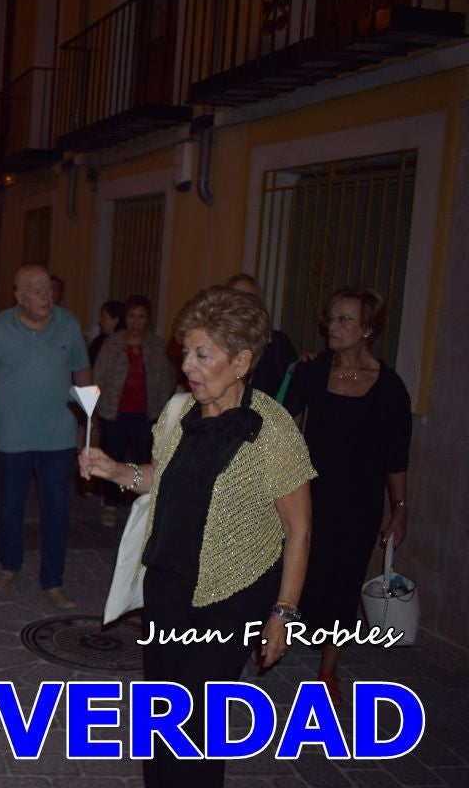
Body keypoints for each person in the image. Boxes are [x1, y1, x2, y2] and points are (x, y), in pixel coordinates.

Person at [81, 286, 313, 788]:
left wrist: (283, 614)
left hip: (232, 597)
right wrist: (115, 470)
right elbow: (158, 477)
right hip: (167, 588)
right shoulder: (178, 412)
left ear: (241, 361)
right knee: (160, 715)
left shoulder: (272, 430)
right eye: (186, 350)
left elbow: (299, 529)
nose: (187, 363)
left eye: (202, 354)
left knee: (199, 726)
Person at [284, 284, 411, 708]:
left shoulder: (389, 387)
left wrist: (400, 510)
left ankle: (327, 670)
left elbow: (396, 455)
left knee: (343, 581)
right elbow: (284, 426)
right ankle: (273, 633)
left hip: (358, 501)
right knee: (293, 568)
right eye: (331, 318)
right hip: (307, 491)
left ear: (368, 328)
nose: (331, 327)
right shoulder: (311, 371)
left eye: (344, 320)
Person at [0, 265, 91, 609]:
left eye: (48, 290)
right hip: (13, 436)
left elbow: (82, 371)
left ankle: (53, 580)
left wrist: (88, 421)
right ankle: (9, 565)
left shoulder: (68, 324)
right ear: (18, 296)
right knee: (11, 506)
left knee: (56, 510)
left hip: (60, 436)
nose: (45, 297)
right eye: (36, 291)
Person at [93, 295, 177, 526]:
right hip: (114, 412)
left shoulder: (156, 345)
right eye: (131, 316)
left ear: (148, 319)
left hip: (147, 414)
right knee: (113, 456)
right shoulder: (112, 344)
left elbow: (168, 379)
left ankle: (142, 505)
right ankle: (109, 503)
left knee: (145, 457)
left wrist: (162, 409)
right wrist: (95, 409)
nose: (136, 322)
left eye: (141, 317)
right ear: (125, 318)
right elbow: (98, 376)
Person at [228, 273, 299, 399]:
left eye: (250, 297)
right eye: (237, 297)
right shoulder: (219, 343)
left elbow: (295, 397)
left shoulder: (279, 344)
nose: (243, 303)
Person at [88, 299, 126, 366]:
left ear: (115, 321)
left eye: (103, 317)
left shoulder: (124, 343)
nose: (100, 321)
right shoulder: (98, 341)